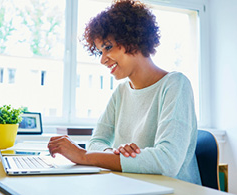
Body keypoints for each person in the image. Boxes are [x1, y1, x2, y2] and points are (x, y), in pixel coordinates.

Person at [48, 0, 201, 185]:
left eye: (107, 47)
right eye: (100, 52)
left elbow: (167, 161)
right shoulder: (121, 92)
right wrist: (113, 154)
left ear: (133, 39)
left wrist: (85, 156)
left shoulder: (176, 85)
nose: (103, 60)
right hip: (133, 185)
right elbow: (97, 140)